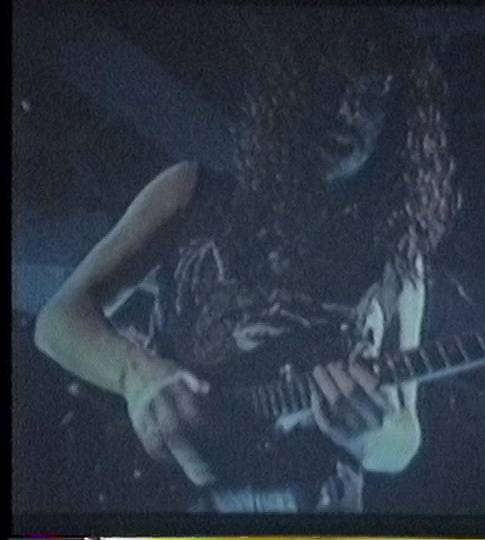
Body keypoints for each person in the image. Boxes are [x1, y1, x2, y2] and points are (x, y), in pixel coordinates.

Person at [34, 8, 460, 513]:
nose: (345, 111)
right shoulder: (191, 191)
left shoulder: (397, 256)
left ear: (396, 117)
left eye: (370, 96)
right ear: (293, 95)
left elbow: (404, 438)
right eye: (330, 86)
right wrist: (138, 374)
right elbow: (58, 320)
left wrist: (372, 434)